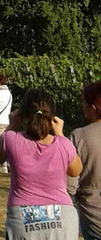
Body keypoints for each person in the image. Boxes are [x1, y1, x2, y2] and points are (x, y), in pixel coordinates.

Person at [0, 89, 82, 239]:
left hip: (23, 216)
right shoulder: (63, 145)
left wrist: (11, 125)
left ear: (23, 115)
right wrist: (60, 134)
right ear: (52, 117)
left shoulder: (12, 139)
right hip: (62, 217)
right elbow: (76, 170)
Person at [68, 81, 101, 240]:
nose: (82, 106)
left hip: (93, 216)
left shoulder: (79, 136)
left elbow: (69, 185)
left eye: (84, 102)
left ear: (93, 107)